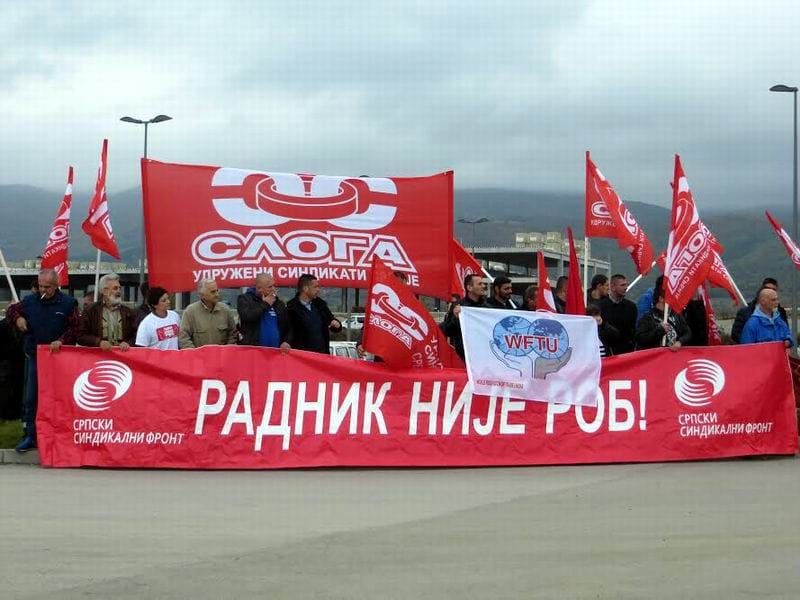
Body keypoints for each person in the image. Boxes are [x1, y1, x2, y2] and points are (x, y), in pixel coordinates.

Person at [6, 268, 79, 452]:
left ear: (56, 285)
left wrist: (62, 340)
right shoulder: (30, 301)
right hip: (35, 357)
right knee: (31, 398)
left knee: (59, 398)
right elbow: (11, 310)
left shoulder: (68, 303)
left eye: (47, 287)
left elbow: (76, 328)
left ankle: (60, 435)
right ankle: (30, 435)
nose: (43, 290)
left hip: (59, 359)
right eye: (40, 286)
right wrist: (18, 318)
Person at [78, 273, 137, 351]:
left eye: (119, 288)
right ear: (105, 291)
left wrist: (128, 343)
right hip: (99, 356)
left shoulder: (128, 312)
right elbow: (80, 336)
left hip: (122, 356)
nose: (119, 291)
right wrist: (98, 342)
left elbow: (137, 335)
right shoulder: (90, 311)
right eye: (115, 288)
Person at [286, 274, 342, 354]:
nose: (318, 290)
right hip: (302, 356)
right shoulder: (291, 309)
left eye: (318, 287)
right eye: (315, 287)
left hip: (322, 355)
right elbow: (288, 332)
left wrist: (336, 324)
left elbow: (332, 321)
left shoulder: (320, 305)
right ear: (305, 289)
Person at [237, 273, 291, 352]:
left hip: (276, 352)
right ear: (259, 288)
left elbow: (288, 326)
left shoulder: (279, 303)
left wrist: (286, 341)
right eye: (270, 287)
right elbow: (247, 316)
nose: (273, 289)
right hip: (254, 351)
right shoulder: (245, 299)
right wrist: (265, 304)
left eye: (274, 285)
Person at [179, 279, 238, 348]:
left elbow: (233, 334)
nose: (217, 294)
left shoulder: (225, 310)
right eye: (213, 292)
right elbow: (184, 338)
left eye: (217, 291)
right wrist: (195, 353)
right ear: (202, 295)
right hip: (198, 354)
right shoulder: (190, 312)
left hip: (222, 354)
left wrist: (226, 351)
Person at [440, 273, 487, 360]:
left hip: (484, 354)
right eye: (480, 284)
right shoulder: (458, 306)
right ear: (469, 288)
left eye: (483, 283)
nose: (483, 286)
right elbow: (447, 331)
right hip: (464, 356)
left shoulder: (487, 307)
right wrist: (455, 318)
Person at [731, 278, 788, 343]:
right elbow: (736, 335)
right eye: (767, 288)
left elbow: (787, 333)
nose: (770, 291)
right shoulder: (745, 313)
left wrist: (787, 340)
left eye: (773, 289)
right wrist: (758, 344)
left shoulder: (780, 314)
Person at [635, 286, 692, 351]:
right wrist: (659, 330)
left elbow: (688, 332)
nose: (674, 299)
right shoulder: (648, 317)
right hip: (658, 355)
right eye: (670, 297)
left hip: (676, 355)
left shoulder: (675, 313)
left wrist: (680, 341)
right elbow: (640, 339)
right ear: (661, 299)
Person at [599, 274, 638, 355]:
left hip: (626, 351)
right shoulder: (601, 306)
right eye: (622, 285)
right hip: (608, 351)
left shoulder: (631, 307)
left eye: (626, 285)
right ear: (613, 287)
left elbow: (633, 330)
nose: (626, 287)